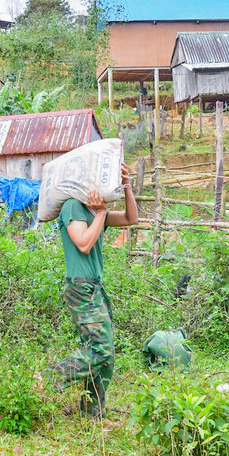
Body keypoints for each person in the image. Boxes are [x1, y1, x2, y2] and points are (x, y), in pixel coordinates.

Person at [38, 164, 138, 417]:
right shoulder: (73, 206)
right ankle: (46, 380)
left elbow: (130, 219)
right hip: (81, 288)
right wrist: (102, 214)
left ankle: (92, 413)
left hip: (94, 287)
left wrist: (127, 186)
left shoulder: (93, 211)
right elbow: (83, 243)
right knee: (99, 351)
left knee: (107, 356)